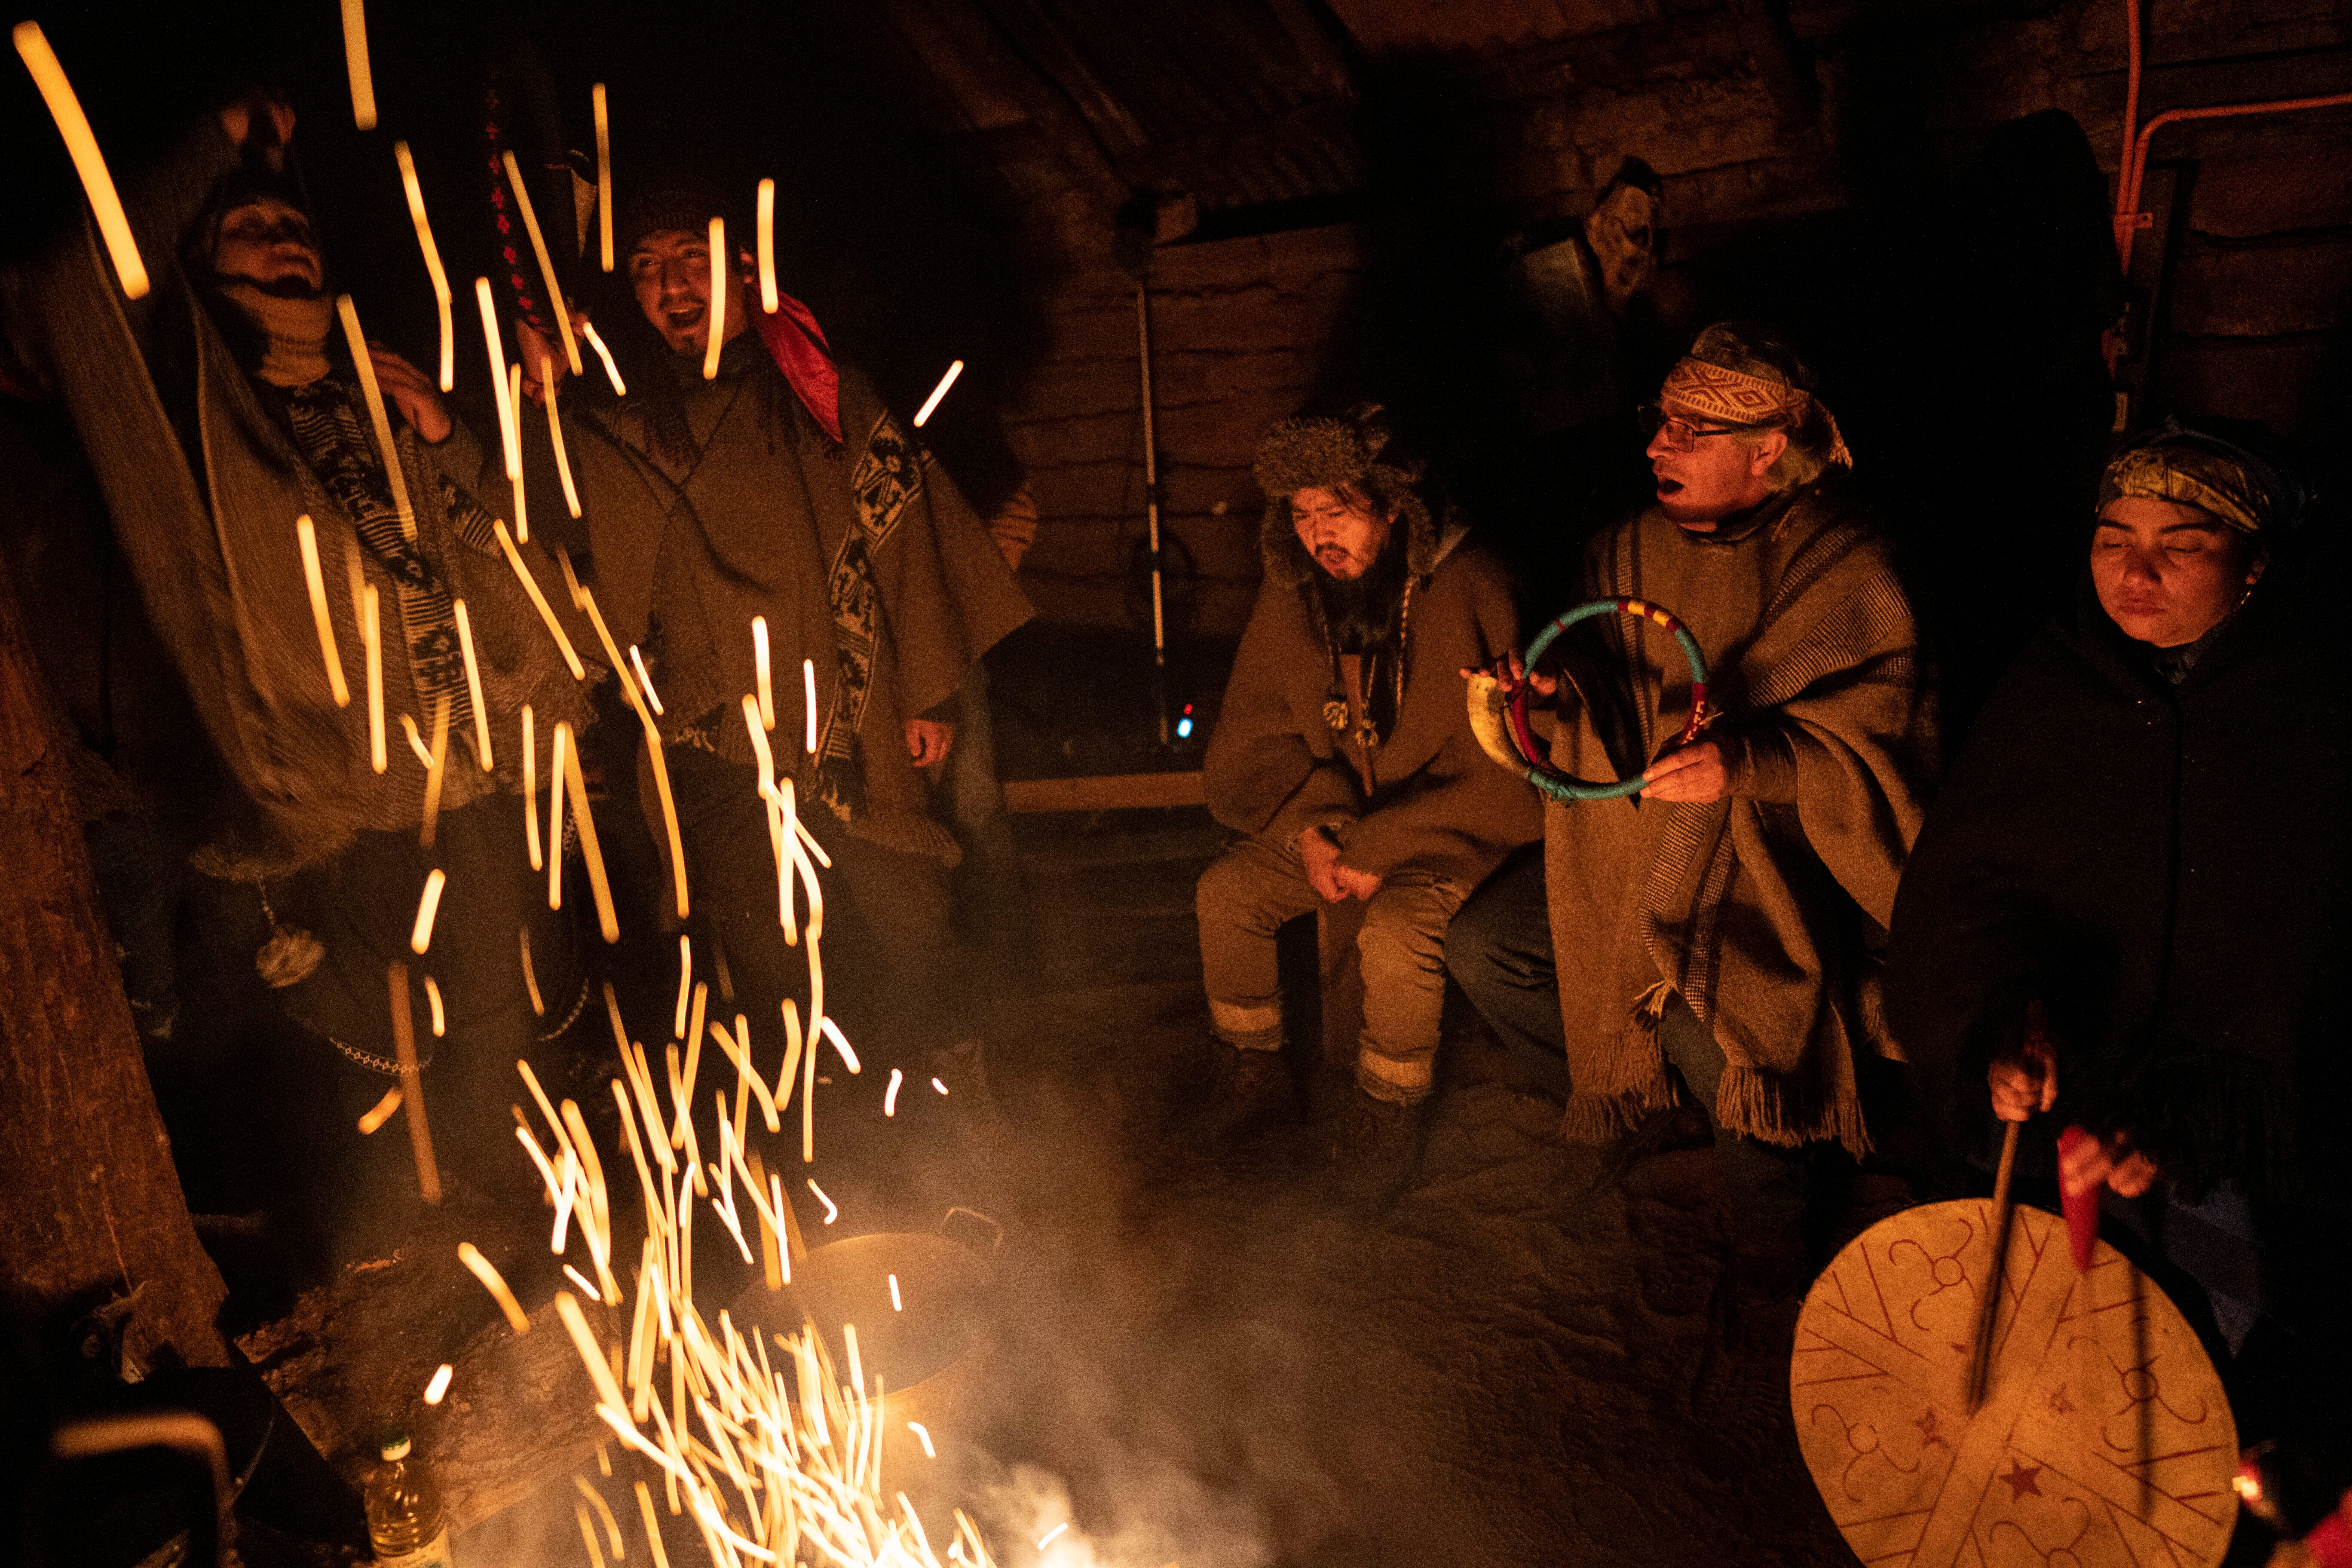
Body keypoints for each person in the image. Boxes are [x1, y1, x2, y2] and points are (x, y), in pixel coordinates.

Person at [3, 98, 598, 1191]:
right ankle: (416, 1289)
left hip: (476, 786)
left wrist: (444, 438)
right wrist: (218, 139)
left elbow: (505, 560)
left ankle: (555, 1261)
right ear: (196, 264)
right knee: (386, 1107)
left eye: (300, 229)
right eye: (252, 228)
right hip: (332, 816)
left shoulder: (369, 399)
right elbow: (73, 281)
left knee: (516, 1058)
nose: (288, 240)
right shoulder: (189, 413)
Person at [1448, 323, 1936, 1344]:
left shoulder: (1850, 567)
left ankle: (1772, 1238)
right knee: (1487, 947)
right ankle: (1626, 1097)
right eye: (1659, 422)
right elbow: (1609, 682)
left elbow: (1879, 739)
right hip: (1626, 847)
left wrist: (1748, 763)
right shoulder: (1623, 549)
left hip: (1773, 865)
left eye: (1692, 429)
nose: (1658, 446)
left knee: (1714, 1017)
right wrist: (1548, 692)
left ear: (1769, 446)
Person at [507, 178, 1030, 1107]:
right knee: (765, 940)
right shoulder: (623, 426)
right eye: (648, 269)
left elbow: (904, 540)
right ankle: (812, 1122)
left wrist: (931, 692)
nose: (672, 285)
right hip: (717, 737)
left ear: (744, 273)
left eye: (692, 260)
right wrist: (540, 400)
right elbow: (564, 537)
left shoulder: (823, 394)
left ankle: (958, 1084)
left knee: (909, 911)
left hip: (853, 710)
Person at [1886, 422, 2351, 1453]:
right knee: (2043, 1370)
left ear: (2256, 564)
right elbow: (1977, 898)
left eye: (2180, 543)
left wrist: (2196, 1125)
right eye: (2112, 537)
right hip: (2071, 1092)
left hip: (2254, 1136)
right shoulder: (2057, 692)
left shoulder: (2315, 713)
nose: (2135, 572)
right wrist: (2004, 1025)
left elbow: (2304, 964)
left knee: (2212, 1390)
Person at [1195, 407, 1541, 1212]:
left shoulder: (1473, 584)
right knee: (1228, 896)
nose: (1320, 535)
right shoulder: (1296, 599)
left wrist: (1383, 844)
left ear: (1391, 507)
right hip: (1341, 822)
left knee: (1394, 938)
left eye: (1338, 512)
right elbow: (1258, 733)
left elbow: (1511, 773)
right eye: (1303, 516)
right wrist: (1314, 829)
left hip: (1453, 833)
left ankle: (1386, 1119)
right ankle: (1256, 1086)